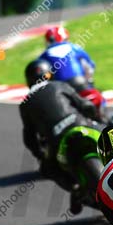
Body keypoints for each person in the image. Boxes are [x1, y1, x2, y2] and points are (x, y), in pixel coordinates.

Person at [20, 59, 102, 213]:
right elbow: (85, 105)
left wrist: (39, 154)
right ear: (48, 74)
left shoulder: (25, 104)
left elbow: (29, 138)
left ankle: (75, 188)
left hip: (58, 140)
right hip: (82, 126)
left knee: (47, 168)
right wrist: (97, 117)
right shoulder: (60, 85)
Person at [37, 26, 96, 92]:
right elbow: (90, 67)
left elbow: (42, 75)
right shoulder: (75, 48)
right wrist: (89, 81)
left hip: (60, 89)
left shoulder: (44, 55)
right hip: (81, 83)